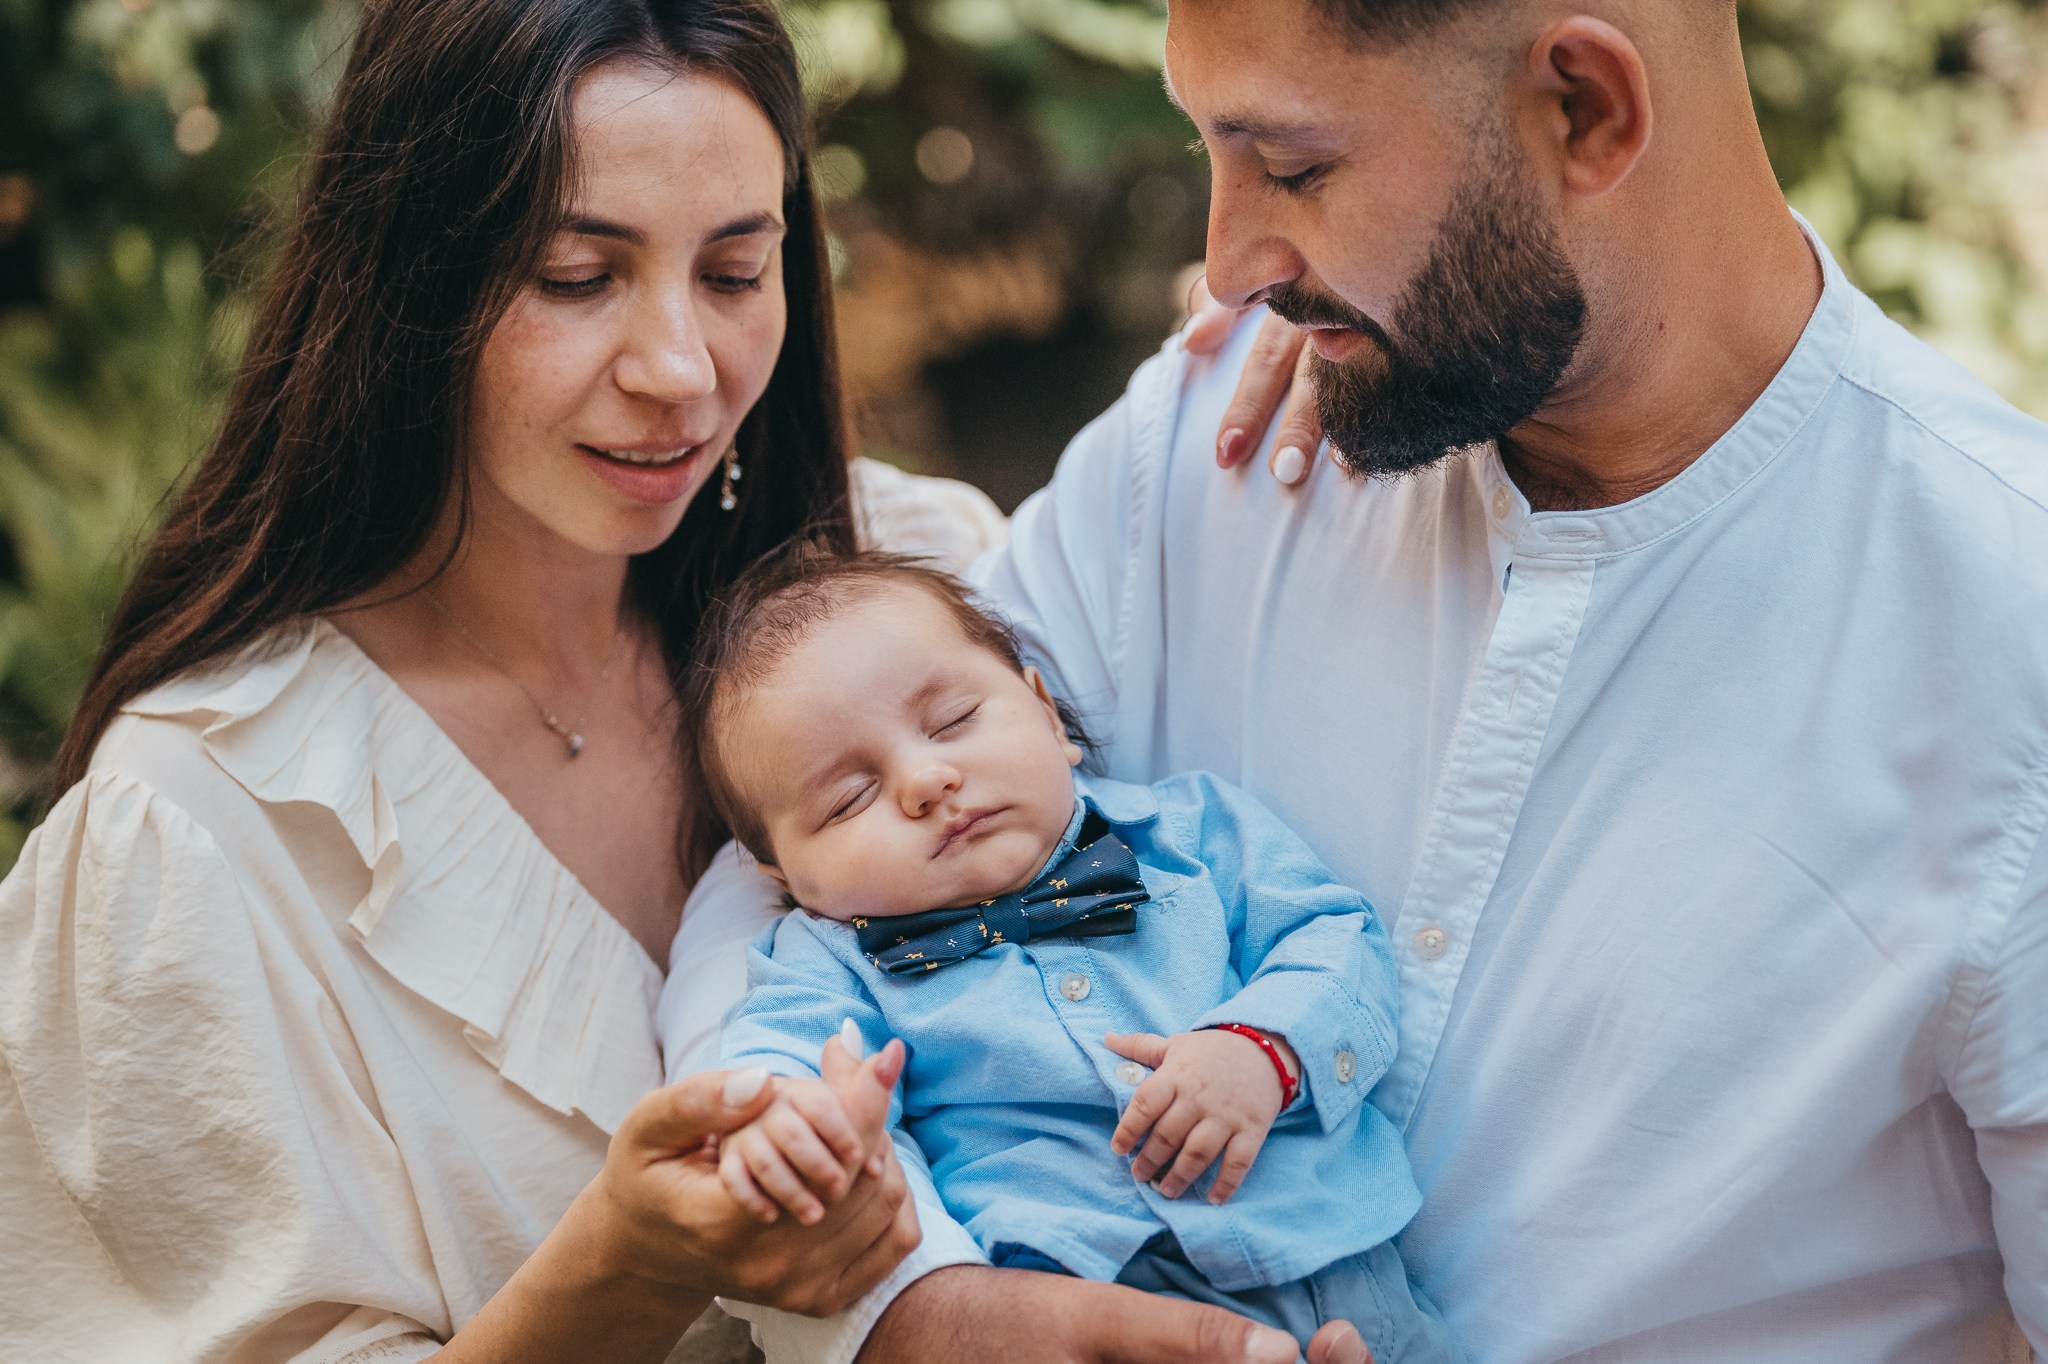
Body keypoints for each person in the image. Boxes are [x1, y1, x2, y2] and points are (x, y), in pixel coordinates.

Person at [663, 0, 2048, 1360]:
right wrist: (902, 1303)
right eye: (1210, 152)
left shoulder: (2007, 630)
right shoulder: (1206, 443)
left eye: (1296, 169)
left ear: (1584, 109)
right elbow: (784, 853)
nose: (1229, 265)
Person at [0, 0, 1019, 1358]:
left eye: (732, 274)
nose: (681, 371)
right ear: (407, 281)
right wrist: (629, 1269)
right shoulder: (205, 834)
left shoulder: (918, 581)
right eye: (576, 276)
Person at [667, 549, 1457, 1363]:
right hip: (1074, 1304)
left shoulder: (1193, 833)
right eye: (849, 798)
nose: (928, 780)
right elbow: (780, 1055)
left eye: (952, 722)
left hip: (1342, 1274)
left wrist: (1262, 1049)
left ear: (1046, 713)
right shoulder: (826, 962)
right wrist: (784, 1128)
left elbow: (1337, 938)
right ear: (784, 875)